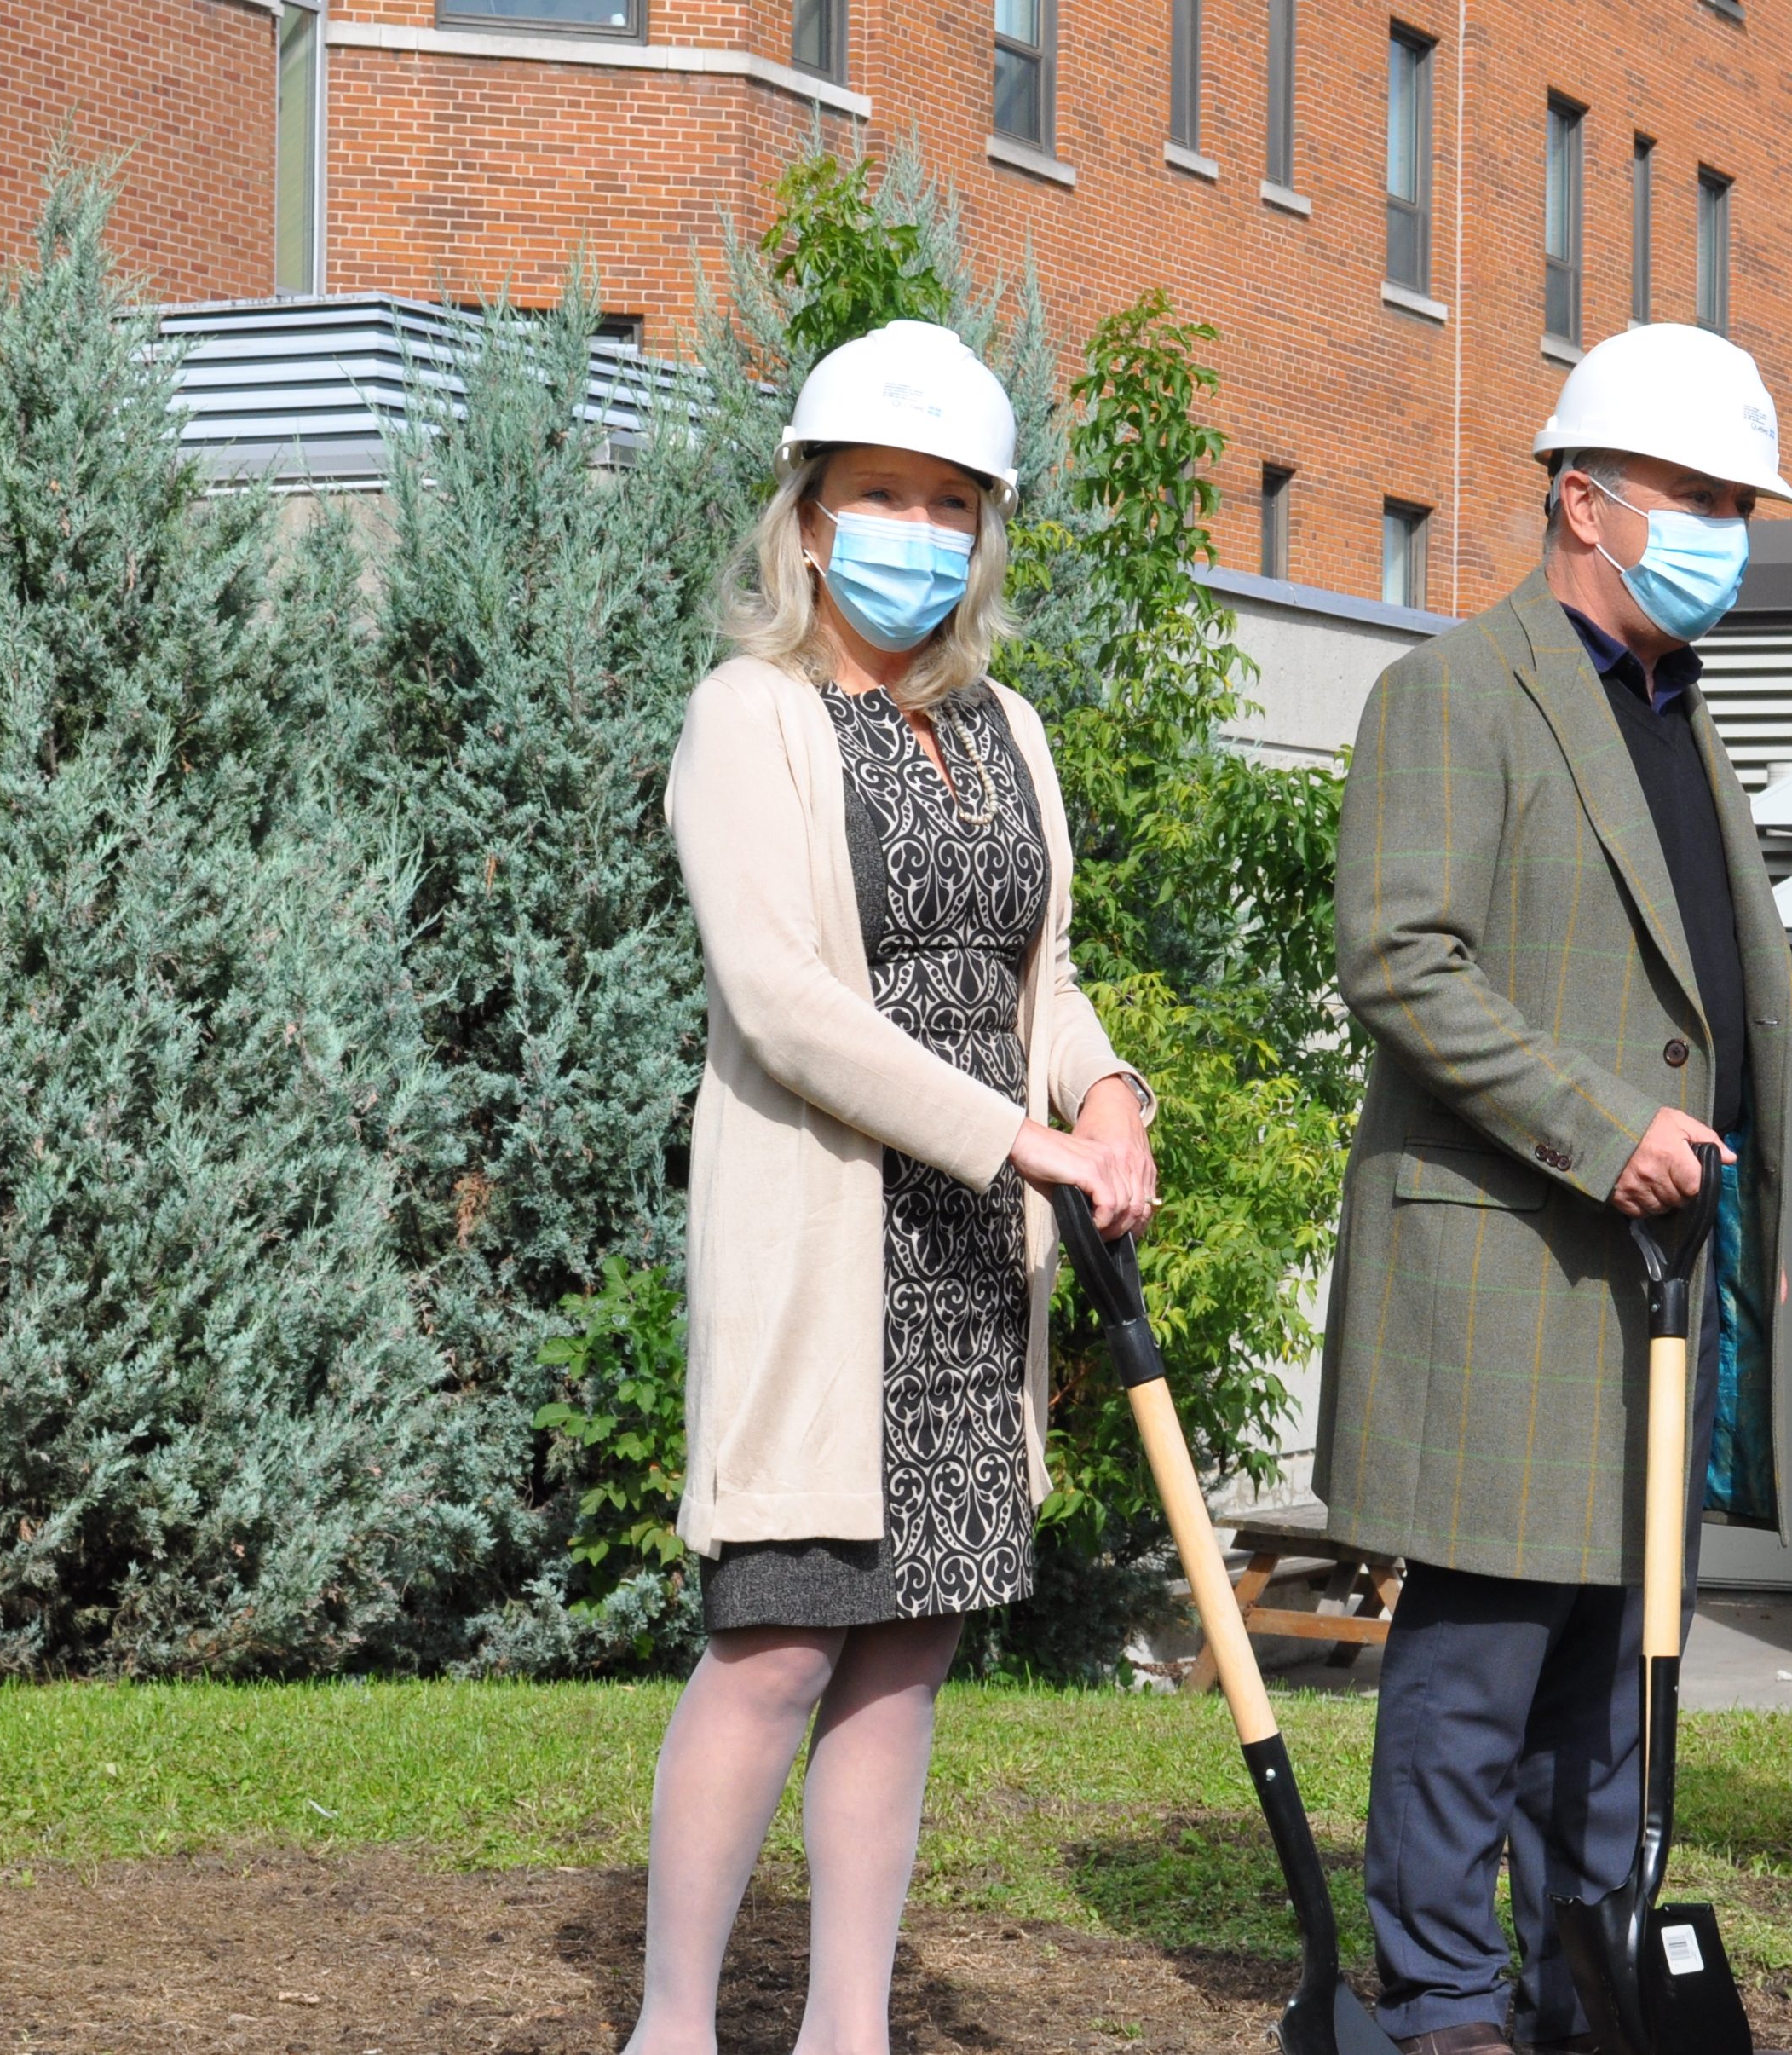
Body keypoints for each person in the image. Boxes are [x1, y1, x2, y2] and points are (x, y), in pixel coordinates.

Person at [637, 318, 1155, 2053]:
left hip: (957, 1269)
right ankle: (673, 2027)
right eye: (878, 495)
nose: (913, 534)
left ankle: (846, 2028)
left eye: (949, 503)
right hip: (824, 1253)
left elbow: (1040, 975)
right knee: (777, 1641)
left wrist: (1108, 1095)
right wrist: (1019, 1139)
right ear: (802, 519)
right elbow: (787, 1005)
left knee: (907, 1645)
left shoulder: (1005, 728)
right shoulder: (747, 718)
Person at [1320, 323, 1792, 2055]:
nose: (1726, 533)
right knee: (1481, 1654)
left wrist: (1735, 1233)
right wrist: (1604, 1131)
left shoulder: (1678, 715)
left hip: (1658, 1266)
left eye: (1740, 503)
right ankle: (1442, 1989)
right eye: (1700, 497)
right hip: (1510, 1254)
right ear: (1581, 502)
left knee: (1615, 1658)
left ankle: (1572, 1982)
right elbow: (1401, 958)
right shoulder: (1453, 693)